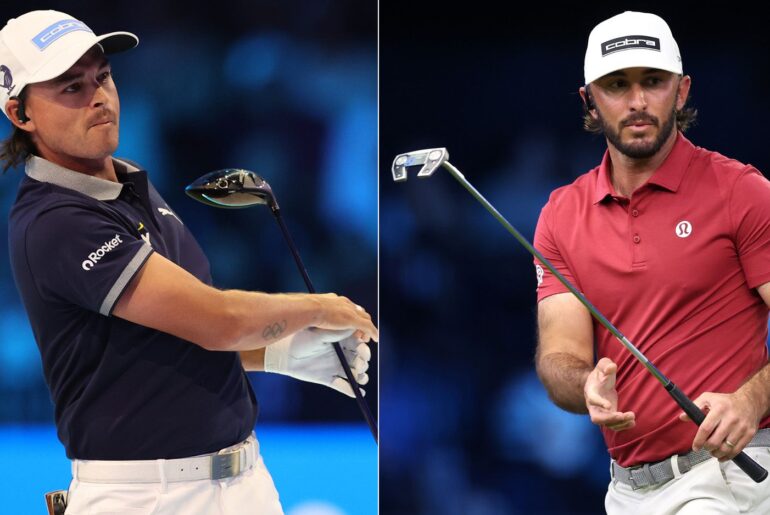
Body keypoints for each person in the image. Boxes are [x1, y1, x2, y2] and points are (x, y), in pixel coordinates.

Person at [1, 10, 377, 515]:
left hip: (245, 482)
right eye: (71, 87)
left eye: (103, 77)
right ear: (20, 114)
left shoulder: (128, 181)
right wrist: (319, 307)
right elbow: (217, 321)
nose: (99, 97)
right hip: (146, 497)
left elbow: (168, 337)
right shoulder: (56, 221)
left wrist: (275, 353)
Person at [533, 11, 770, 514]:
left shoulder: (742, 192)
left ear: (681, 92)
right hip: (625, 492)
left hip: (731, 476)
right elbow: (559, 355)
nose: (637, 101)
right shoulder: (561, 215)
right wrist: (585, 384)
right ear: (589, 100)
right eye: (617, 85)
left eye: (653, 82)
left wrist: (751, 400)